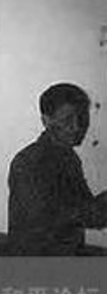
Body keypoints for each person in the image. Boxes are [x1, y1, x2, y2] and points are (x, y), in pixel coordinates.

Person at [8, 83, 107, 256]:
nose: (76, 127)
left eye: (80, 118)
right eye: (67, 120)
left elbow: (90, 212)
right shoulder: (27, 162)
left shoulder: (69, 158)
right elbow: (50, 219)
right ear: (46, 121)